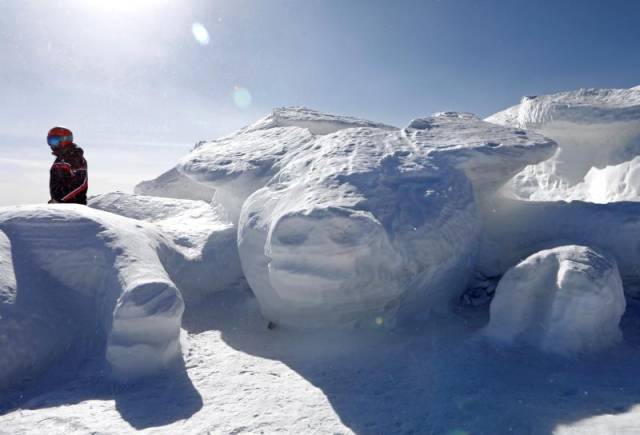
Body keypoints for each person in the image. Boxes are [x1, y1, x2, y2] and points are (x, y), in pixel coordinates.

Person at [47, 126, 88, 205]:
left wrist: (60, 200)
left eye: (54, 141)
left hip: (74, 206)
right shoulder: (60, 159)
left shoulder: (75, 157)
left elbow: (80, 184)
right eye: (49, 141)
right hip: (61, 205)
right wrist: (55, 200)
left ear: (65, 140)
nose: (51, 145)